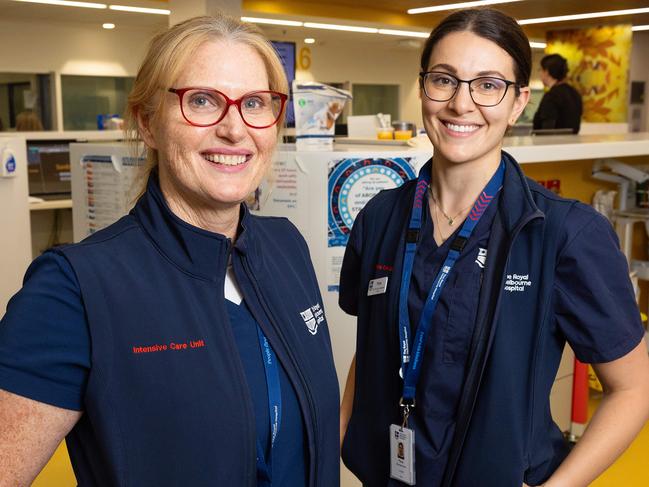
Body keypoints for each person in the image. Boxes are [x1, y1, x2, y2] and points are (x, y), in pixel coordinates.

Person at [0, 14, 339, 486]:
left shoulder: (286, 247)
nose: (234, 130)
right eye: (202, 101)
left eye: (256, 103)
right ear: (147, 123)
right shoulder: (76, 289)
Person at [339, 8, 649, 487]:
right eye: (444, 80)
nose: (461, 104)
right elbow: (372, 348)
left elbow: (633, 387)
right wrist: (338, 444)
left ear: (518, 102)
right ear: (424, 88)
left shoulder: (563, 232)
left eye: (488, 85)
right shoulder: (379, 217)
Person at [533, 53, 583, 134]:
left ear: (547, 72)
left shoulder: (552, 96)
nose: (540, 74)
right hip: (571, 144)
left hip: (550, 145)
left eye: (541, 70)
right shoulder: (575, 93)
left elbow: (546, 131)